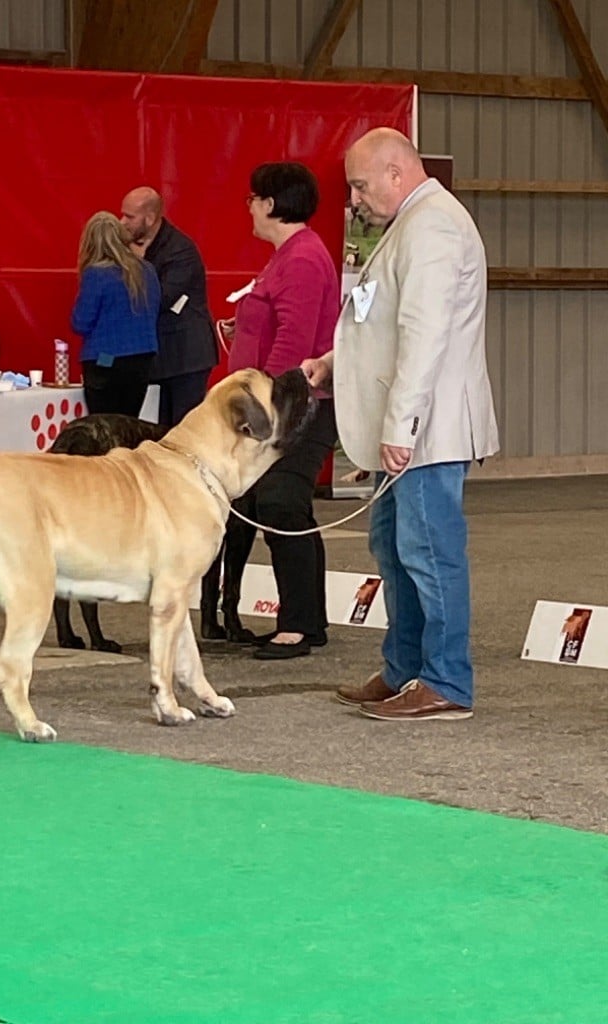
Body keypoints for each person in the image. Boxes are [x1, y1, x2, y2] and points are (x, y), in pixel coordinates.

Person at [303, 127, 500, 720]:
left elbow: (425, 334)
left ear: (396, 172)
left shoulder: (433, 226)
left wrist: (402, 425)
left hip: (427, 428)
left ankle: (446, 682)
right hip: (413, 423)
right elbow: (385, 325)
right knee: (394, 546)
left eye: (360, 186)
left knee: (429, 552)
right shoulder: (411, 223)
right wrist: (333, 363)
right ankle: (404, 669)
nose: (354, 199)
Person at [225, 161, 339, 660]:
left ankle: (296, 624)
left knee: (280, 503)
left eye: (252, 199)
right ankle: (308, 618)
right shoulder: (288, 256)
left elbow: (295, 338)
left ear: (270, 204)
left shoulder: (302, 259)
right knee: (287, 505)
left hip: (296, 405)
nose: (249, 208)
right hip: (285, 400)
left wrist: (262, 403)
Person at [120, 187, 218, 426]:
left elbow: (160, 299)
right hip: (157, 358)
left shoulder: (180, 250)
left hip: (186, 357)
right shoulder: (132, 246)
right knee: (159, 431)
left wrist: (138, 264)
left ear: (150, 218)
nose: (122, 222)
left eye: (129, 217)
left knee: (183, 430)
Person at [71, 211, 161, 416]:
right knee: (128, 422)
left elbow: (81, 322)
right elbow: (155, 309)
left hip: (106, 359)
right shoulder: (147, 269)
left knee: (103, 422)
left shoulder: (96, 273)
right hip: (142, 358)